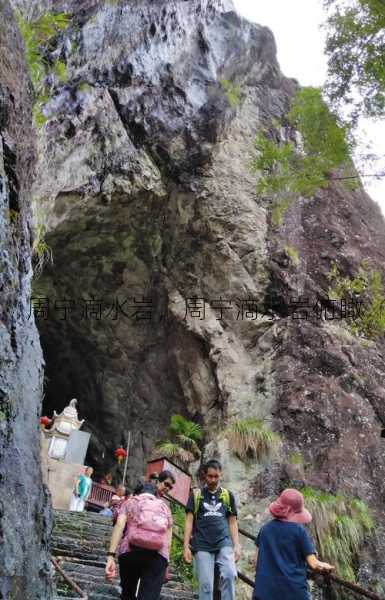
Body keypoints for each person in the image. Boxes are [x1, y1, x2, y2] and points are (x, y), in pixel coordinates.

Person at [105, 470, 176, 600]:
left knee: (128, 593)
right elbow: (168, 541)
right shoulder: (165, 507)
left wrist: (111, 556)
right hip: (157, 556)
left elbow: (119, 525)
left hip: (130, 552)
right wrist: (167, 563)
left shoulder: (130, 501)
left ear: (137, 492)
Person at [252, 488, 334, 600]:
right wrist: (326, 565)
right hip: (293, 593)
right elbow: (314, 564)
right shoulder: (299, 531)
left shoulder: (264, 530)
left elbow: (256, 561)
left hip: (264, 593)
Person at [183, 459, 241, 600]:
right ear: (205, 475)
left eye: (216, 476)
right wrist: (186, 546)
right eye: (210, 476)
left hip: (224, 542)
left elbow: (232, 522)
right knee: (206, 586)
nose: (213, 479)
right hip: (202, 543)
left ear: (221, 475)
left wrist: (237, 545)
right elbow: (189, 521)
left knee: (229, 574)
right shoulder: (196, 495)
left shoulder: (227, 495)